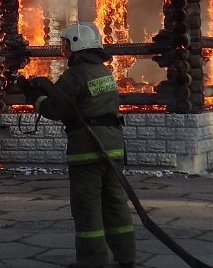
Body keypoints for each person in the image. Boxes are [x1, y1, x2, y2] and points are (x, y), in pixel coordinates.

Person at [20, 22, 135, 268]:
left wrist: (33, 96)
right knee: (115, 202)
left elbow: (56, 110)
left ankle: (92, 261)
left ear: (77, 45)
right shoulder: (104, 72)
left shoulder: (74, 76)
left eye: (66, 45)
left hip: (87, 148)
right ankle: (126, 256)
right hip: (114, 145)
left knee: (87, 206)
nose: (65, 51)